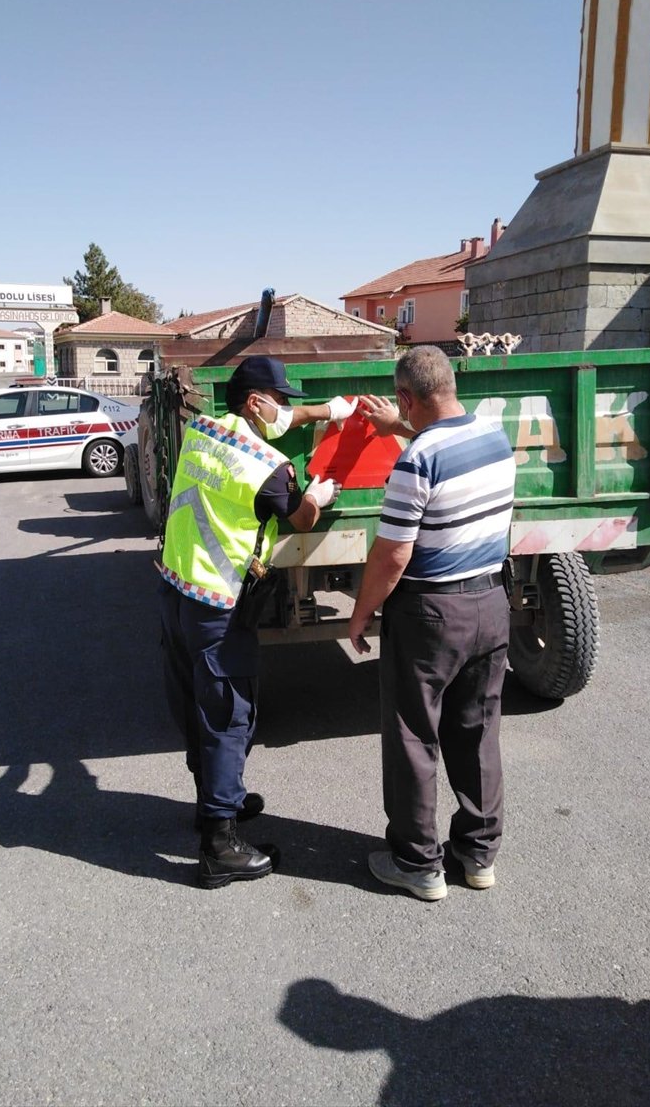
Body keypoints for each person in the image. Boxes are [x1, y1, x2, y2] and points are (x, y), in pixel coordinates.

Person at [159, 355, 355, 889]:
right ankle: (220, 846)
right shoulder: (265, 467)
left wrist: (325, 411)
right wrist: (319, 493)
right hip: (219, 608)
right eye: (280, 398)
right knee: (229, 718)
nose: (286, 408)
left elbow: (282, 421)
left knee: (200, 708)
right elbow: (300, 517)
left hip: (176, 590)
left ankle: (213, 804)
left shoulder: (203, 430)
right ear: (255, 402)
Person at [349, 345, 516, 901]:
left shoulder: (415, 462)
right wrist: (400, 424)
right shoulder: (494, 436)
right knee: (478, 732)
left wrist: (361, 612)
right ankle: (477, 856)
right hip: (491, 604)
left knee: (413, 737)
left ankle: (418, 865)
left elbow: (392, 556)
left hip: (430, 615)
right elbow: (439, 434)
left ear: (405, 397)